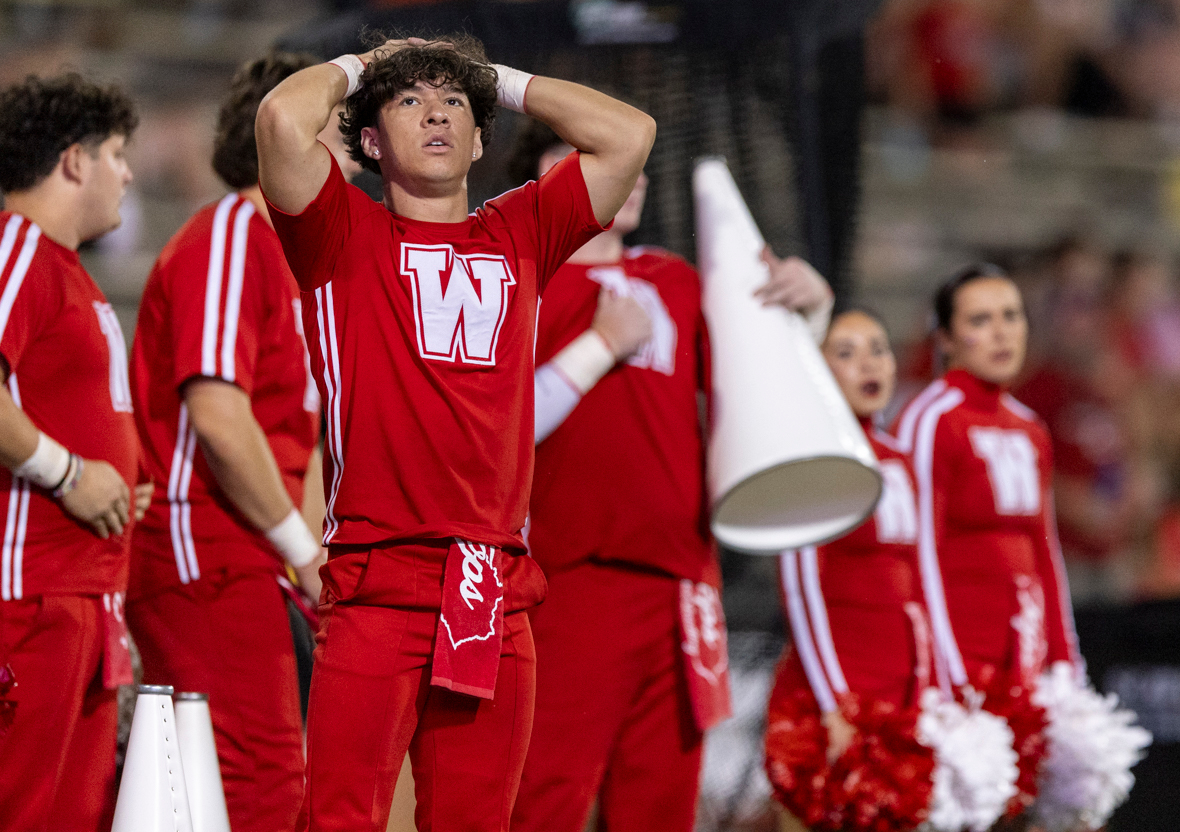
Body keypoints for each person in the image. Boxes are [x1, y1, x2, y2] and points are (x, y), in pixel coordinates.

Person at [254, 33, 655, 832]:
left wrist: (495, 79)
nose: (436, 113)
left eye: (454, 105)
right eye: (411, 102)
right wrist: (371, 65)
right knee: (340, 820)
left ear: (480, 139)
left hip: (493, 592)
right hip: (377, 583)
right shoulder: (338, 233)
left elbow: (629, 135)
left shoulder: (522, 229)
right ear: (369, 142)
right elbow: (279, 121)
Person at [506, 122, 833, 832]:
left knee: (663, 801)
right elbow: (495, 431)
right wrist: (599, 346)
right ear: (541, 175)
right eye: (587, 151)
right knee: (546, 795)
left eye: (634, 158)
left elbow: (761, 396)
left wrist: (810, 312)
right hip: (568, 578)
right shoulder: (517, 280)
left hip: (683, 579)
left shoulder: (679, 280)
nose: (632, 172)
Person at [125, 52, 358, 832]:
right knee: (260, 781)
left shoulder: (300, 262)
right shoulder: (234, 233)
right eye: (340, 115)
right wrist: (301, 547)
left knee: (250, 782)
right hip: (206, 552)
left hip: (249, 556)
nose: (357, 139)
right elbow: (219, 414)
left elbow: (298, 435)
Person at [0, 73, 142, 832]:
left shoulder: (64, 270)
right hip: (30, 601)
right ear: (74, 160)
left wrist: (117, 484)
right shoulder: (17, 249)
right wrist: (67, 473)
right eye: (117, 153)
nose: (127, 173)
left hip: (81, 598)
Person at [892, 263, 1083, 813]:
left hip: (1021, 666)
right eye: (981, 320)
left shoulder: (1029, 428)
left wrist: (1064, 662)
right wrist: (947, 678)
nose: (1001, 333)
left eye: (1010, 316)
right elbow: (917, 555)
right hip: (961, 673)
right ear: (947, 339)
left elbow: (1045, 552)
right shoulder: (932, 420)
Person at [764, 309, 940, 831]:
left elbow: (923, 589)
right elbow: (800, 590)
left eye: (879, 349)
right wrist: (833, 704)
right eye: (846, 352)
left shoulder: (903, 460)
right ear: (814, 368)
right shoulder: (808, 460)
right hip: (830, 706)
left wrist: (931, 688)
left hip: (901, 701)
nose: (869, 364)